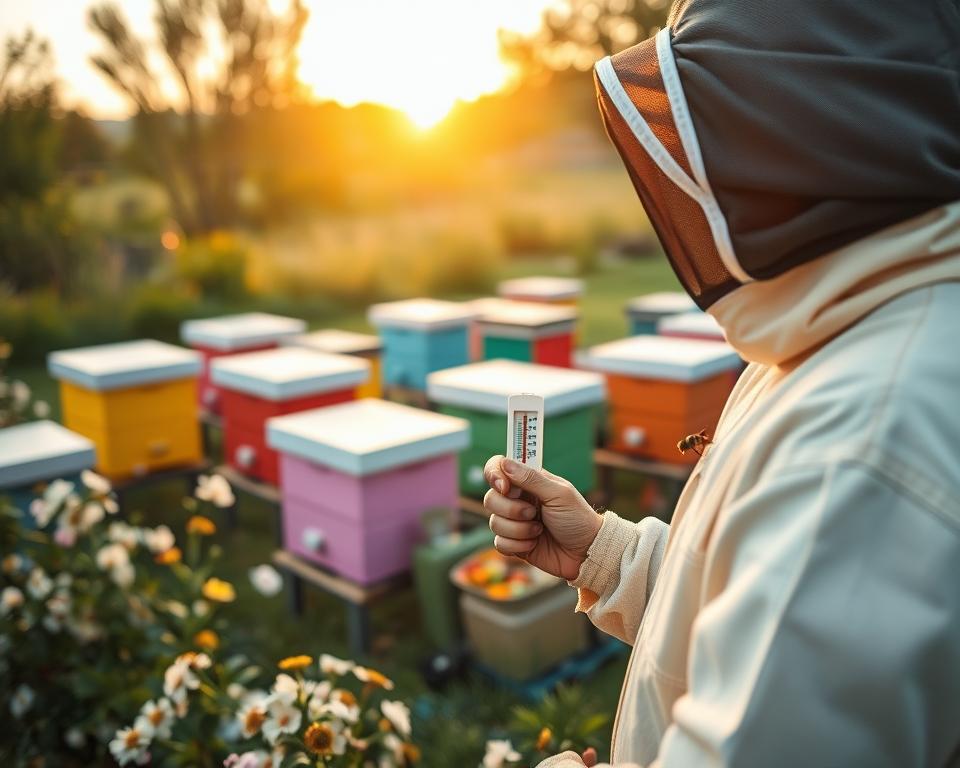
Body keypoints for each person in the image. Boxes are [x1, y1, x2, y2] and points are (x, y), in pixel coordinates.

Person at [483, 1, 960, 765]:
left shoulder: (867, 442)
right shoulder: (837, 330)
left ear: (802, 137)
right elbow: (758, 599)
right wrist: (606, 555)